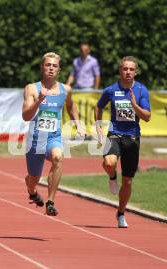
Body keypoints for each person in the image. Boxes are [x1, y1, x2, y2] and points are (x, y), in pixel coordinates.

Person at [22, 52, 84, 216]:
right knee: (33, 179)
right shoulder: (32, 88)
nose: (51, 68)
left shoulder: (66, 90)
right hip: (35, 141)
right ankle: (32, 190)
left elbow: (71, 106)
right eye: (48, 65)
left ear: (59, 70)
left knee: (58, 157)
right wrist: (38, 102)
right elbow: (26, 116)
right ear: (42, 67)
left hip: (53, 138)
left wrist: (78, 124)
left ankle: (50, 202)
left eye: (54, 66)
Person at [94, 56, 151, 228]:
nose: (128, 72)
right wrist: (99, 129)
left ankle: (120, 213)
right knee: (109, 162)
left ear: (136, 72)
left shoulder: (141, 90)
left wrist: (135, 106)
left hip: (132, 138)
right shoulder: (111, 90)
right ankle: (112, 176)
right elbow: (98, 107)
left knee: (127, 181)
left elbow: (147, 117)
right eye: (125, 69)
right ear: (120, 70)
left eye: (131, 69)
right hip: (114, 133)